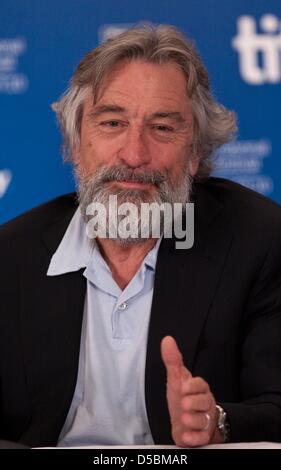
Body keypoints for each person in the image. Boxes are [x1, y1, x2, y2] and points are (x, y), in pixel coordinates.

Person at [0, 24, 281, 449]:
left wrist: (218, 422)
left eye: (163, 129)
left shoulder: (260, 240)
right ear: (76, 143)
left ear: (196, 154)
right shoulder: (9, 256)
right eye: (113, 122)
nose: (134, 155)